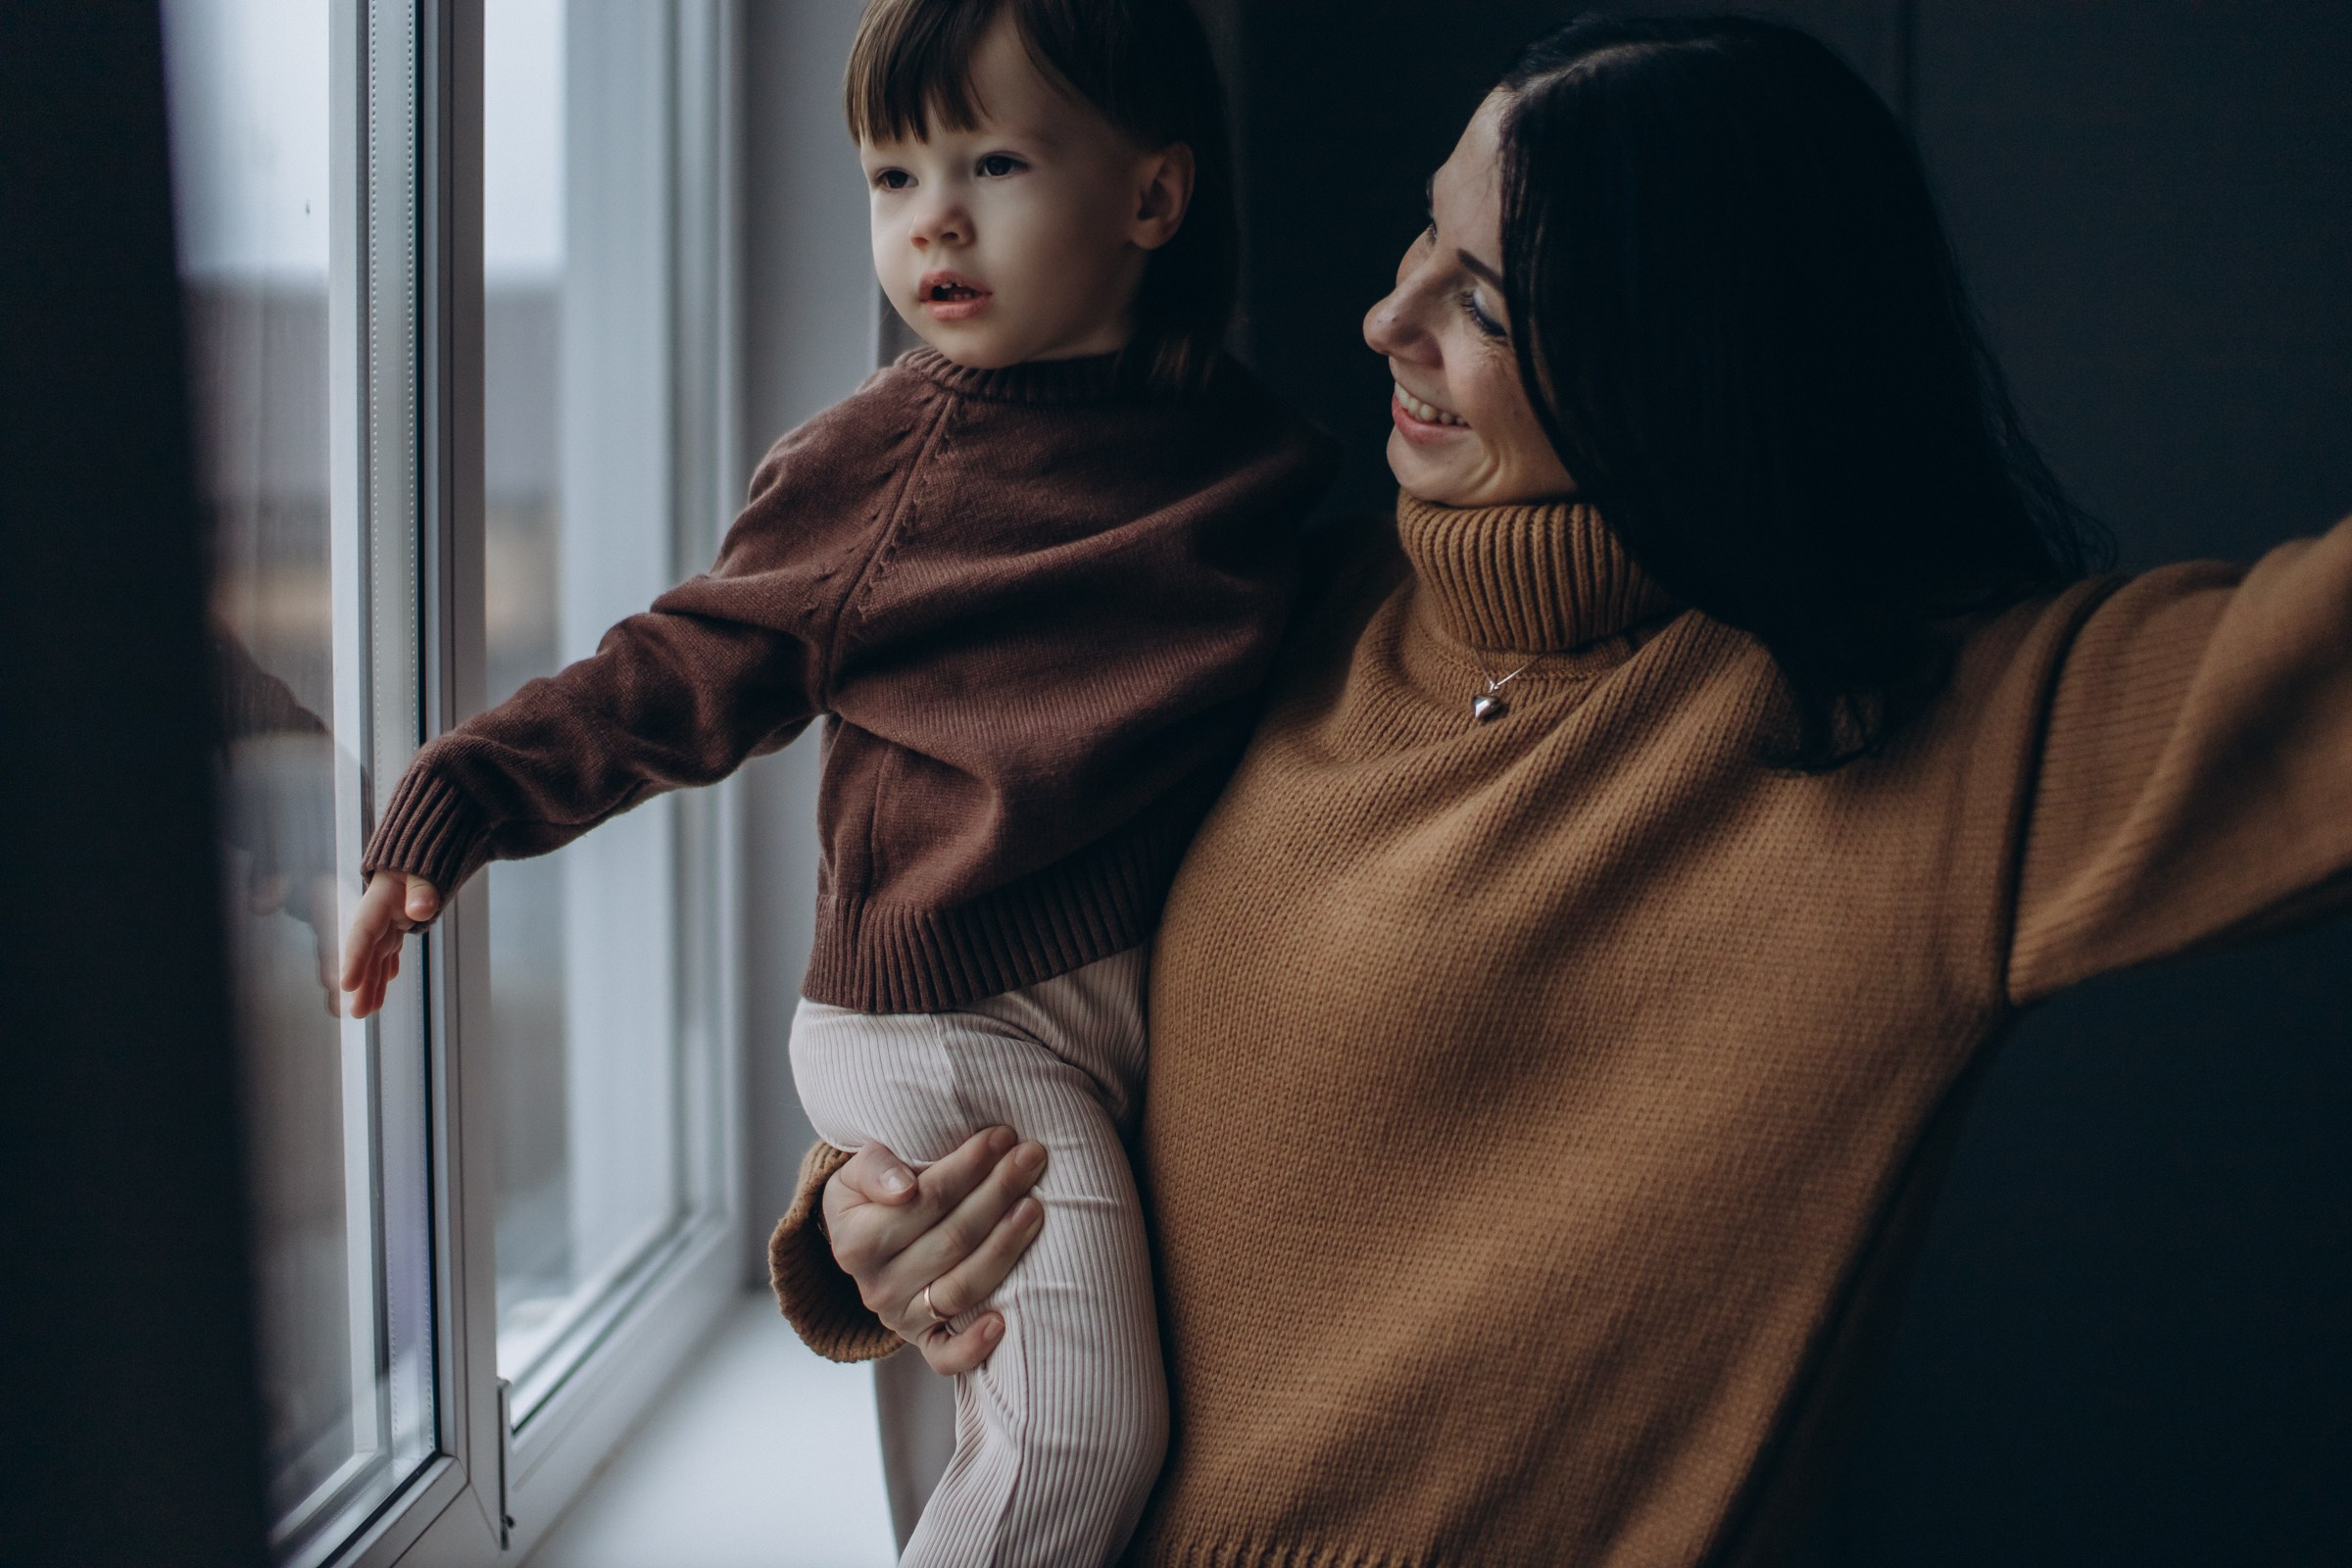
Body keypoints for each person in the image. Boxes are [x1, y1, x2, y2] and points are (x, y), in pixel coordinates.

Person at [770, 15, 2352, 1564]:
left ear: (1691, 359)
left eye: (1490, 305)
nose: (1388, 319)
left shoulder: (1946, 736)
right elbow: (1040, 973)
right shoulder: (1273, 607)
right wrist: (879, 1207)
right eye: (1421, 238)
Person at [340, 0, 1333, 1562]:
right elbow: (679, 664)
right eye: (889, 175)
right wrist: (463, 797)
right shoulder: (882, 464)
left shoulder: (1252, 456)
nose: (928, 217)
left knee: (1060, 1415)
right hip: (948, 1017)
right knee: (1081, 1434)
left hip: (1102, 997)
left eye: (991, 161)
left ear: (1153, 194)